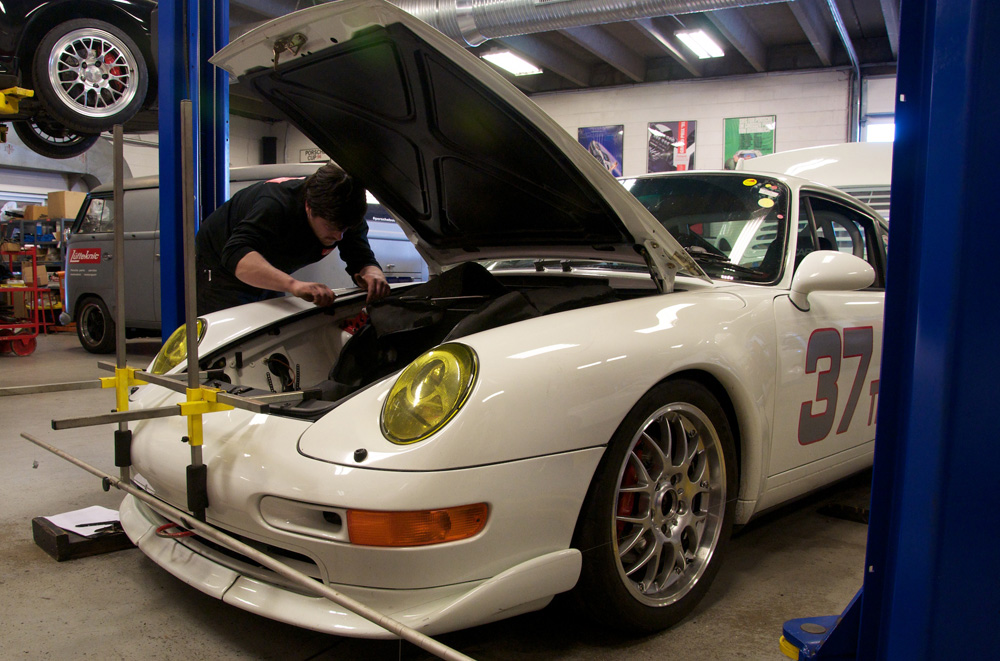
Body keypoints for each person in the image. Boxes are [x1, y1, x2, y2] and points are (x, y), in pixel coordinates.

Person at [195, 162, 390, 315]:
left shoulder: (344, 215)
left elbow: (361, 258)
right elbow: (236, 254)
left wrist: (374, 275)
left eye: (344, 229)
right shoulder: (276, 205)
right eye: (331, 228)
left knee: (268, 330)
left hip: (269, 263)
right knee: (230, 341)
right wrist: (294, 285)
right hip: (220, 265)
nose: (339, 236)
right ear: (309, 208)